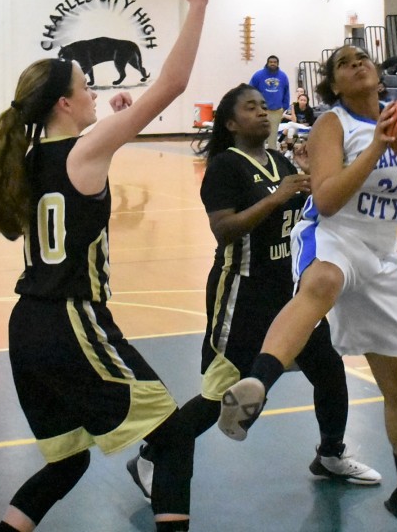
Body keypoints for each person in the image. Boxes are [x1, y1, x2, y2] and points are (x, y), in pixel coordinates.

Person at [0, 0, 210, 532]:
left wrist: (112, 124)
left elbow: (54, 189)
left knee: (67, 462)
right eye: (84, 85)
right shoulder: (83, 152)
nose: (94, 90)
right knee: (173, 438)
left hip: (27, 328)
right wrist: (197, 6)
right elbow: (172, 84)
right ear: (64, 104)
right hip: (72, 321)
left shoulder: (25, 160)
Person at [217, 29, 397, 532]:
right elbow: (328, 199)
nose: (357, 63)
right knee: (323, 284)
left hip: (382, 254)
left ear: (377, 74)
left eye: (363, 58)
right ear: (334, 85)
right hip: (333, 234)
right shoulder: (332, 124)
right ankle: (258, 384)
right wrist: (377, 147)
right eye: (344, 63)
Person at [125, 83, 381, 501]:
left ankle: (331, 453)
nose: (263, 112)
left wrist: (312, 179)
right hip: (242, 295)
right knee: (220, 395)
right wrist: (277, 198)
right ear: (230, 123)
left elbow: (305, 211)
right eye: (250, 107)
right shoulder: (225, 166)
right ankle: (151, 456)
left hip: (288, 294)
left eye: (264, 106)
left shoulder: (279, 160)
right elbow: (224, 229)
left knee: (329, 370)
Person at [250, 55, 290, 150]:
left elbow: (286, 91)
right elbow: (250, 90)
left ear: (278, 64)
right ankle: (258, 153)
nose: (272, 64)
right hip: (261, 110)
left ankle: (272, 153)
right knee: (260, 133)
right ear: (267, 63)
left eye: (275, 62)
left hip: (276, 111)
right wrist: (253, 106)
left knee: (273, 135)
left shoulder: (283, 76)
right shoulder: (258, 75)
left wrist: (285, 106)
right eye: (271, 62)